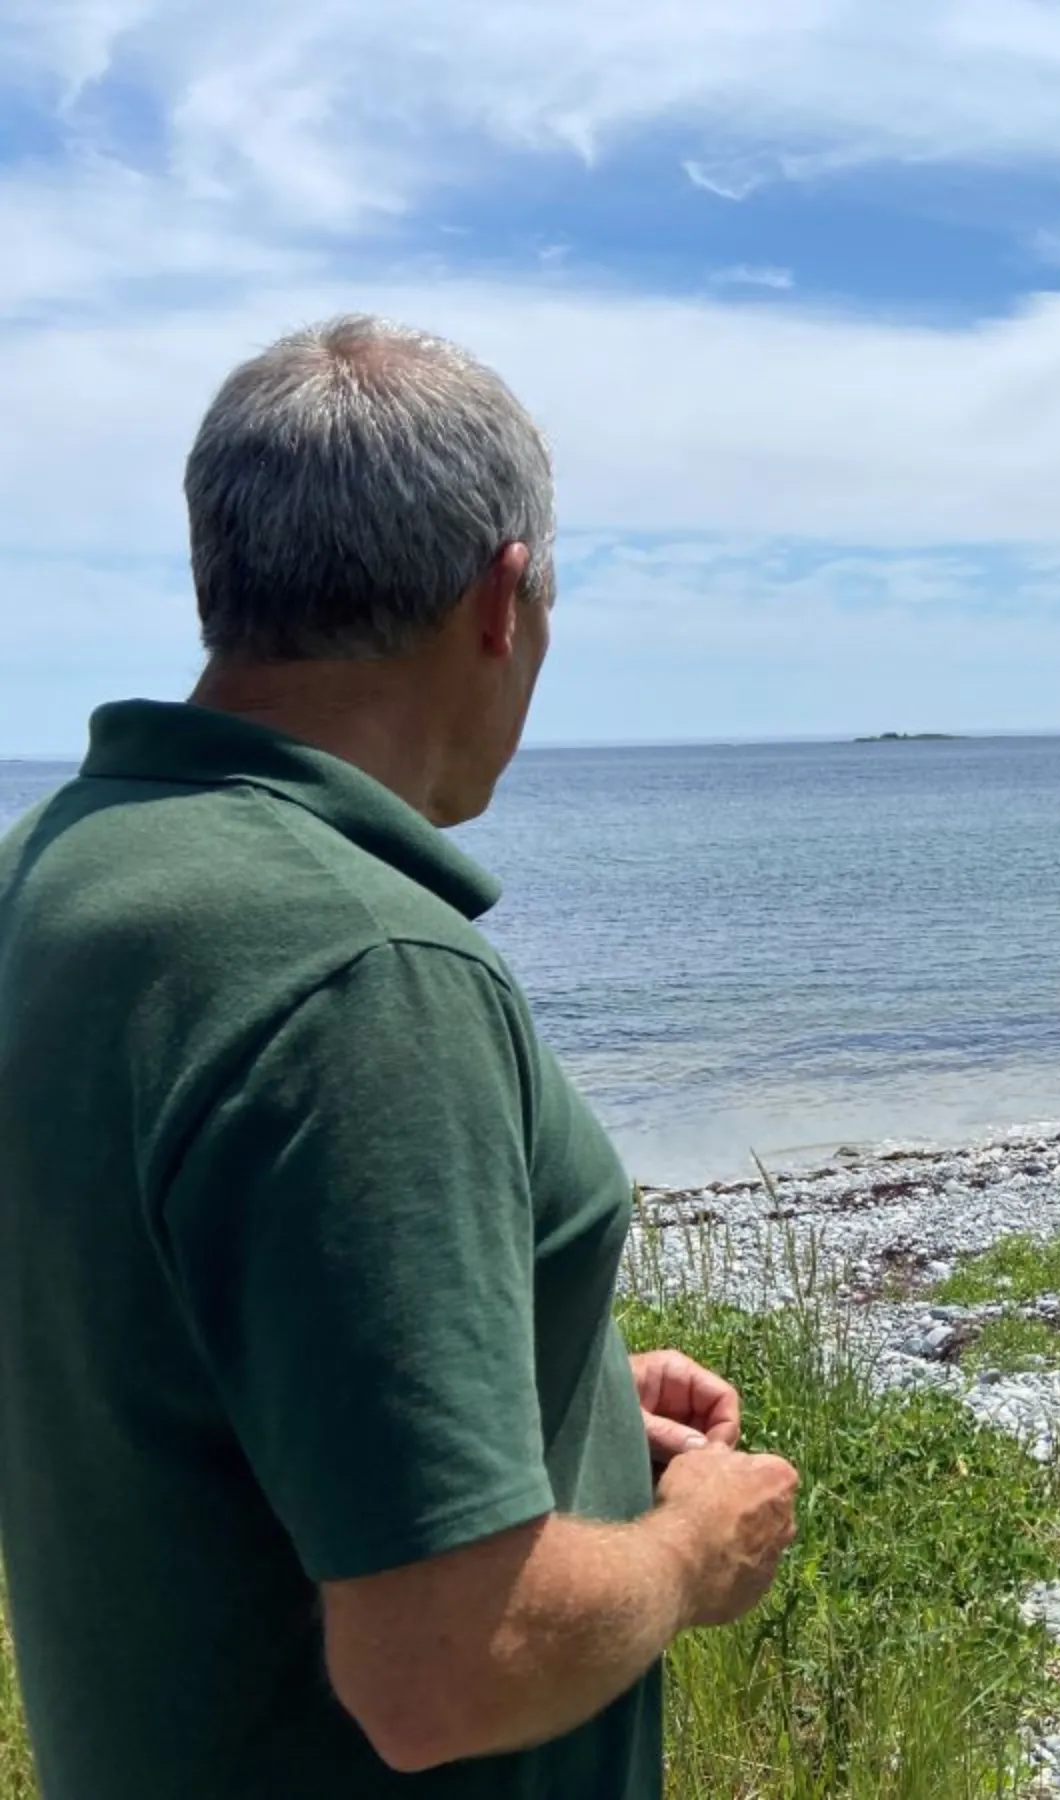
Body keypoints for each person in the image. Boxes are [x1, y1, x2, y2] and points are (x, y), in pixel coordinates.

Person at [0, 316, 799, 1797]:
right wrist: (691, 1552)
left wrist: (530, 1385)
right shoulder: (367, 975)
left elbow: (148, 1343)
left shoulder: (52, 877)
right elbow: (442, 1668)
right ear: (502, 599)